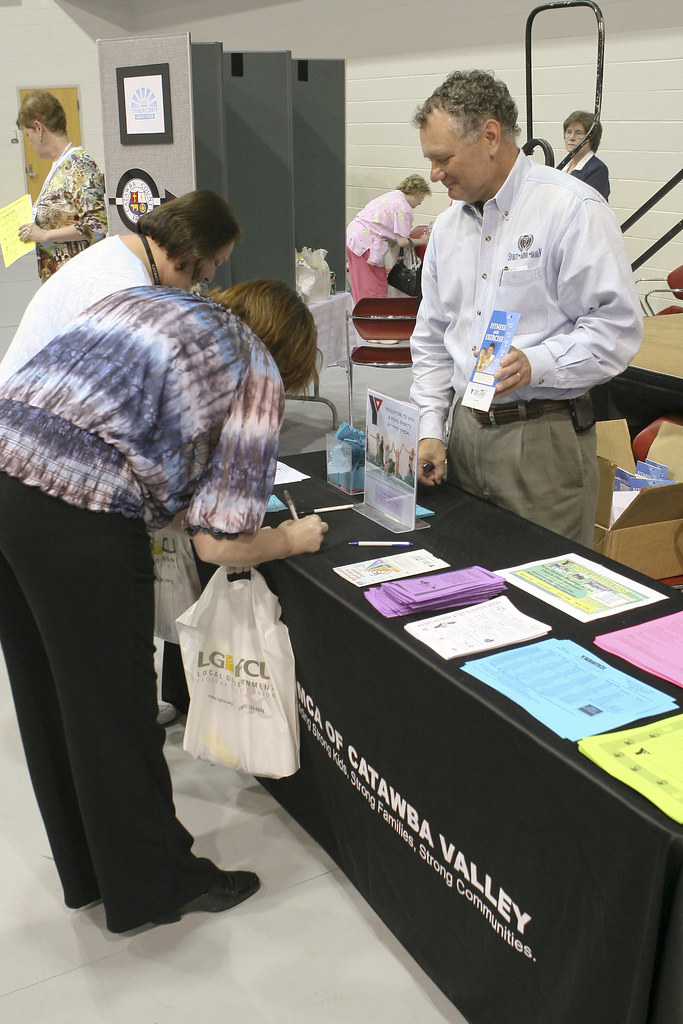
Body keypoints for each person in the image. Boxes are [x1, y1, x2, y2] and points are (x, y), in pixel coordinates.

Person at [0, 280, 328, 933]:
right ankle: (157, 885)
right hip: (79, 509)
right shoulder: (255, 368)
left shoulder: (152, 303)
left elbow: (134, 447)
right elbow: (219, 546)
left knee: (48, 698)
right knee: (115, 708)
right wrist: (291, 537)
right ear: (288, 353)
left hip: (7, 470)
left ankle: (89, 872)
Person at [409, 70, 642, 547]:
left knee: (543, 588)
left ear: (490, 136)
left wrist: (539, 363)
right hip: (466, 433)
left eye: (443, 158)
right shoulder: (449, 230)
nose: (435, 174)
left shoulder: (571, 210)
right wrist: (430, 427)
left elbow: (616, 329)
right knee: (466, 577)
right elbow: (432, 339)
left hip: (542, 440)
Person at [0, 189, 240, 386]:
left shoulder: (120, 251)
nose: (209, 275)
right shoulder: (124, 290)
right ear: (193, 246)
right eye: (215, 262)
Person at [16, 90, 107, 280]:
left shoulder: (79, 165)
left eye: (27, 135)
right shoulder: (60, 166)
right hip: (61, 280)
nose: (30, 143)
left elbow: (97, 225)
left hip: (78, 279)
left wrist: (45, 235)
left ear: (38, 128)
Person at [346, 174, 431, 303]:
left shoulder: (393, 196)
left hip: (353, 238)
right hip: (366, 244)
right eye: (421, 198)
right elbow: (402, 242)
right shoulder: (403, 207)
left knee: (360, 284)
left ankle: (362, 316)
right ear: (415, 192)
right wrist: (423, 240)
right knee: (374, 287)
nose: (420, 203)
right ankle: (374, 317)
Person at [562, 110, 610, 201]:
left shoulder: (597, 169)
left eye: (578, 133)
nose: (571, 138)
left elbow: (591, 207)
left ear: (591, 138)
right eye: (568, 132)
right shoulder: (563, 167)